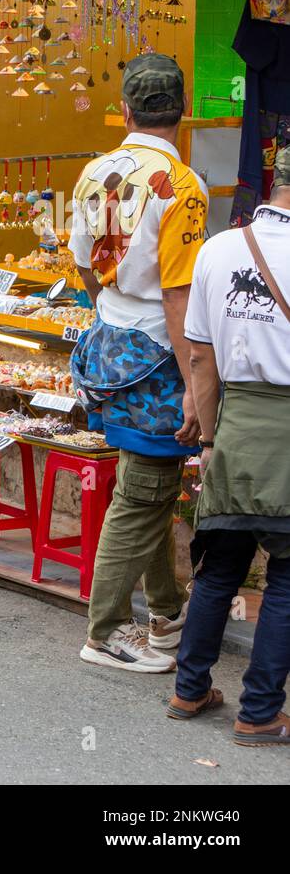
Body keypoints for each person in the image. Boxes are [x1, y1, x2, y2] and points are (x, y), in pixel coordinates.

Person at [69, 53, 208, 673]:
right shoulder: (182, 186)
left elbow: (79, 262)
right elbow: (180, 295)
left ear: (123, 110)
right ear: (183, 113)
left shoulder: (93, 173)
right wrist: (195, 383)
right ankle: (105, 632)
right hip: (159, 353)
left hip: (110, 344)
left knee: (144, 483)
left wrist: (109, 311)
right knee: (145, 492)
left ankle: (167, 608)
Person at [165, 149, 290, 744]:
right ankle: (259, 712)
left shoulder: (218, 249)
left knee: (219, 568)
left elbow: (199, 359)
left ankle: (190, 691)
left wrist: (210, 439)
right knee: (288, 576)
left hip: (233, 426)